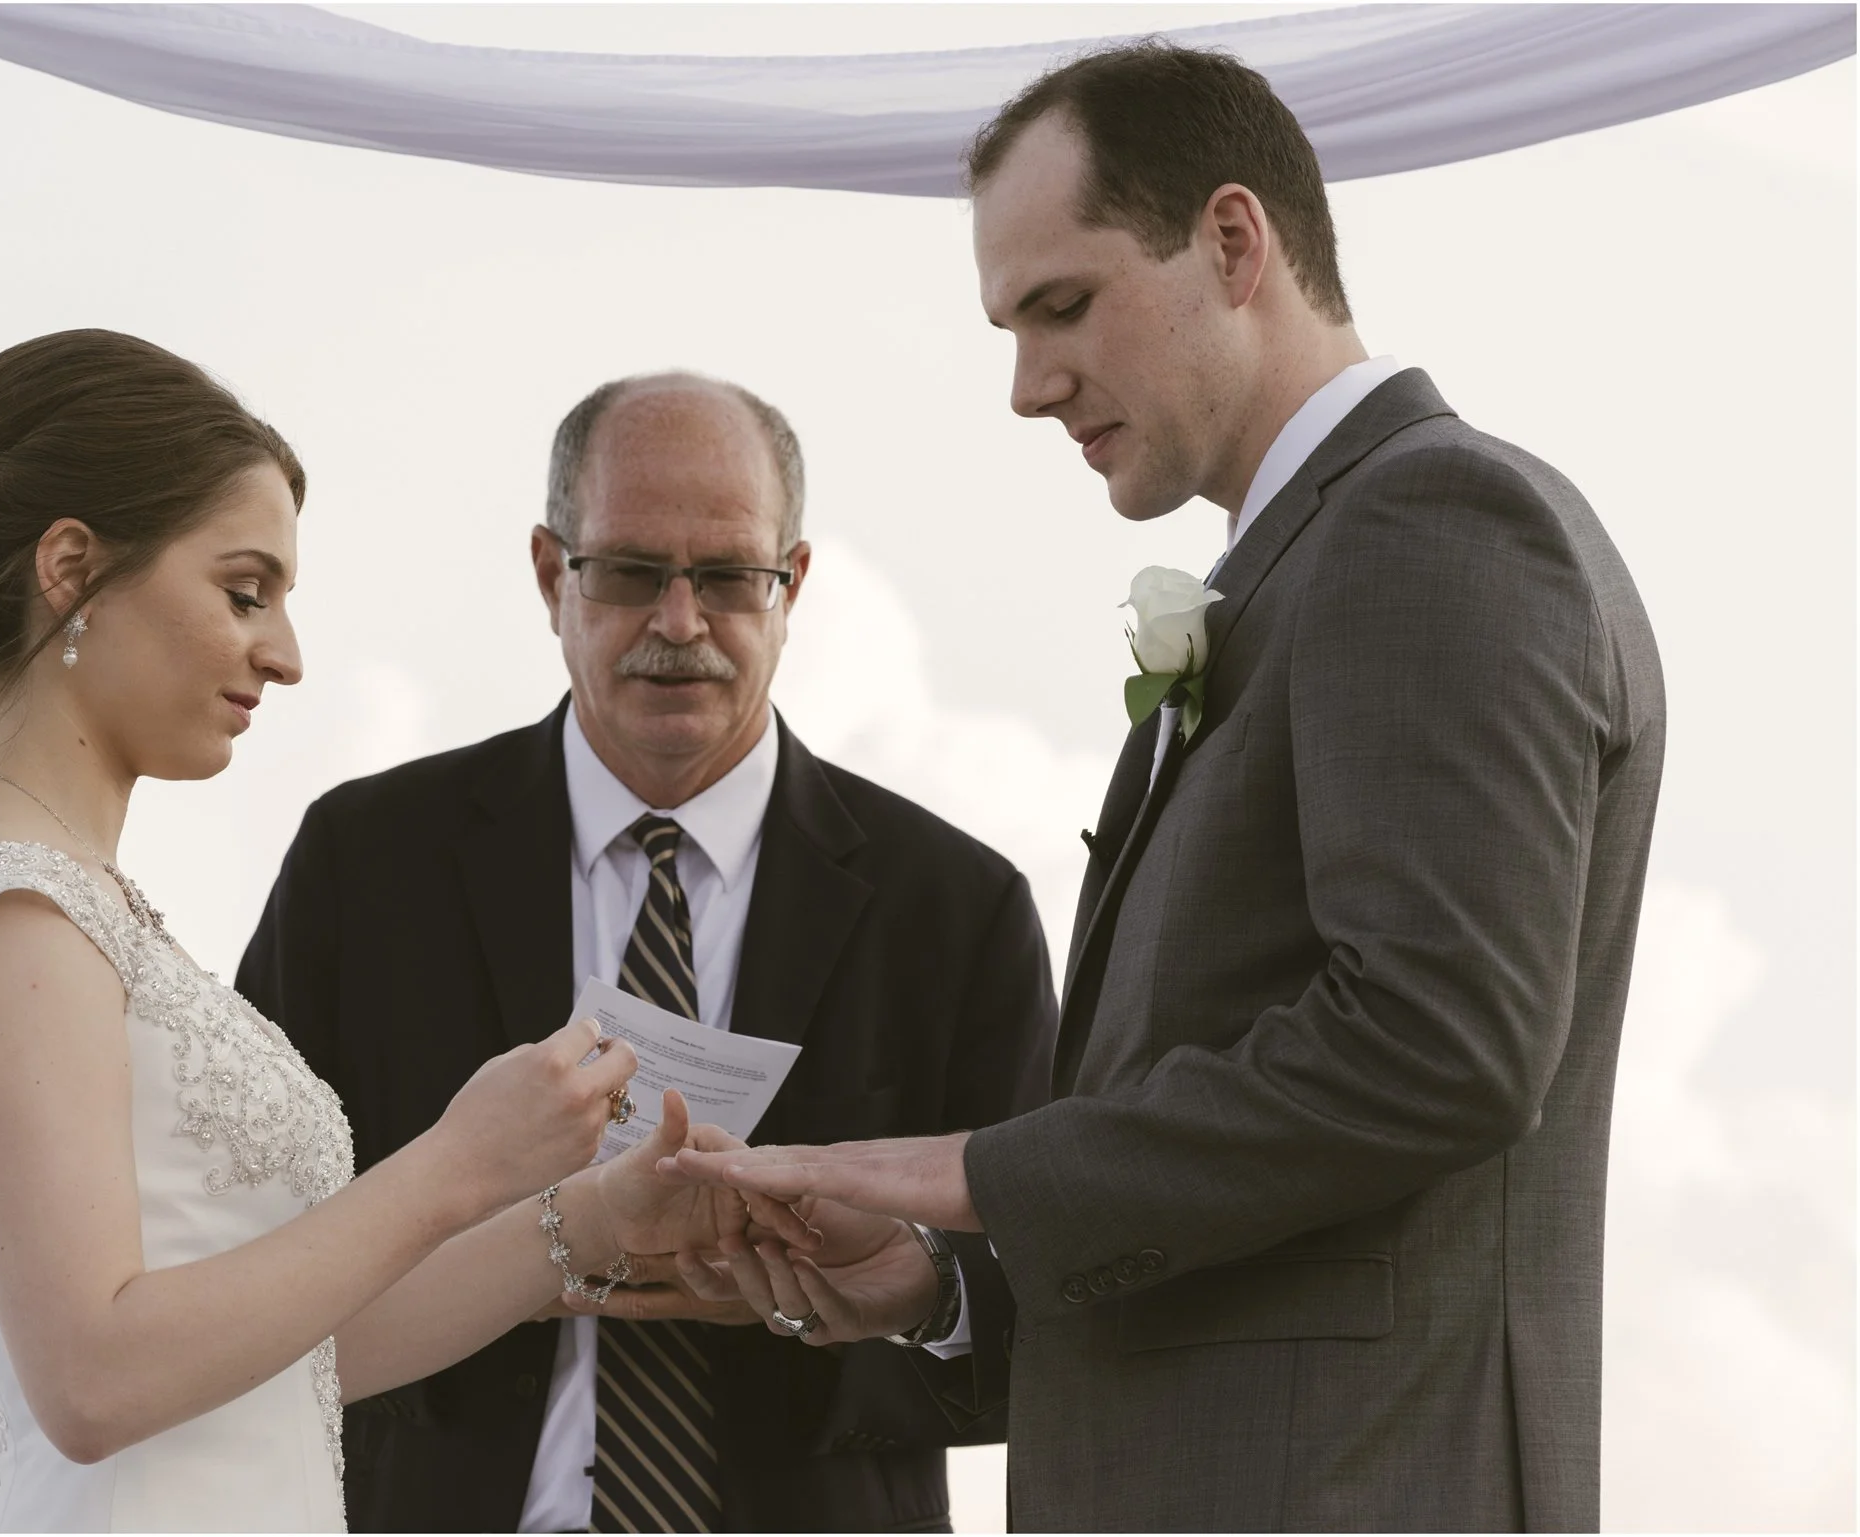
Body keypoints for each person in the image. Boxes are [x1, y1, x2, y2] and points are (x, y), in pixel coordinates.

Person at [667, 42, 1667, 1533]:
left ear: (1234, 241)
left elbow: (1441, 1037)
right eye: (1009, 328)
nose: (1027, 386)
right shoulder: (1306, 564)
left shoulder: (1433, 524)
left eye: (1063, 306)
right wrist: (942, 1284)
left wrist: (972, 1173)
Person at [0, 330, 807, 1533]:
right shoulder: (18, 921)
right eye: (245, 592)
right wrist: (457, 1162)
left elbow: (296, 1354)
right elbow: (93, 1380)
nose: (285, 655)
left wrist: (588, 1221)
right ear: (73, 568)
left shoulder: (79, 911)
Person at [237, 371, 1057, 1532]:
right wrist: (501, 1257)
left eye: (726, 577)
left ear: (793, 586)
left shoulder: (955, 910)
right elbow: (243, 1262)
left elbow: (1047, 1315)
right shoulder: (364, 862)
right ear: (547, 574)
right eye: (628, 573)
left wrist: (856, 1297)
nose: (679, 624)